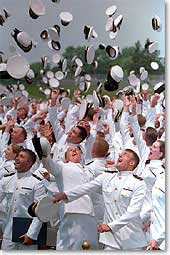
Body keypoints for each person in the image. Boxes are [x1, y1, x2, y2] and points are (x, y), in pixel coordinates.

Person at [52, 149, 147, 250]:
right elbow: (86, 187)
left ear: (132, 163)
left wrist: (110, 226)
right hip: (111, 241)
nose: (120, 155)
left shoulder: (138, 183)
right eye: (120, 154)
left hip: (131, 239)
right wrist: (65, 195)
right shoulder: (107, 177)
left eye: (125, 155)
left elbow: (133, 212)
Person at [41, 145, 98, 250]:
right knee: (68, 244)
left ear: (81, 156)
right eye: (70, 150)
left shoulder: (89, 170)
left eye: (77, 149)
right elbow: (50, 165)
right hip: (72, 210)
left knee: (89, 246)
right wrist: (44, 154)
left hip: (89, 212)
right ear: (66, 157)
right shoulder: (62, 166)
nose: (74, 150)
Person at [0, 149, 46, 250]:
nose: (17, 158)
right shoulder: (7, 180)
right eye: (17, 156)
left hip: (27, 233)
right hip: (8, 233)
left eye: (21, 156)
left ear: (29, 162)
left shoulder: (37, 183)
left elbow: (40, 212)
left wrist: (31, 234)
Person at [147, 172, 165, 250]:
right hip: (154, 234)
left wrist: (158, 239)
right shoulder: (161, 176)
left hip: (162, 239)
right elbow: (157, 204)